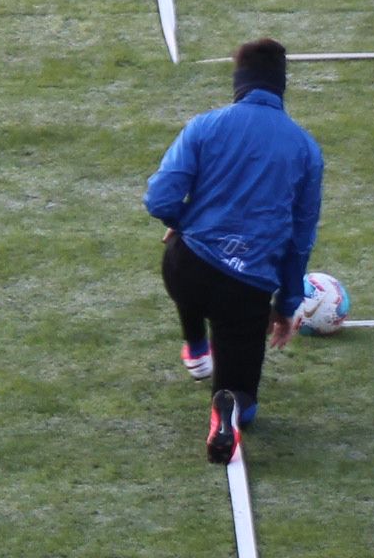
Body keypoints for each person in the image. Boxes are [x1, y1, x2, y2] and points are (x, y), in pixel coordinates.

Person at [146, 37, 324, 466]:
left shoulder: (205, 126)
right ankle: (226, 409)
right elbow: (300, 240)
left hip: (187, 272)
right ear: (281, 86)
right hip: (244, 292)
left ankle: (194, 344)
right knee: (245, 398)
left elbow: (159, 199)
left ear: (239, 82)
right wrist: (286, 304)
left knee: (180, 255)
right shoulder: (306, 150)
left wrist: (185, 223)